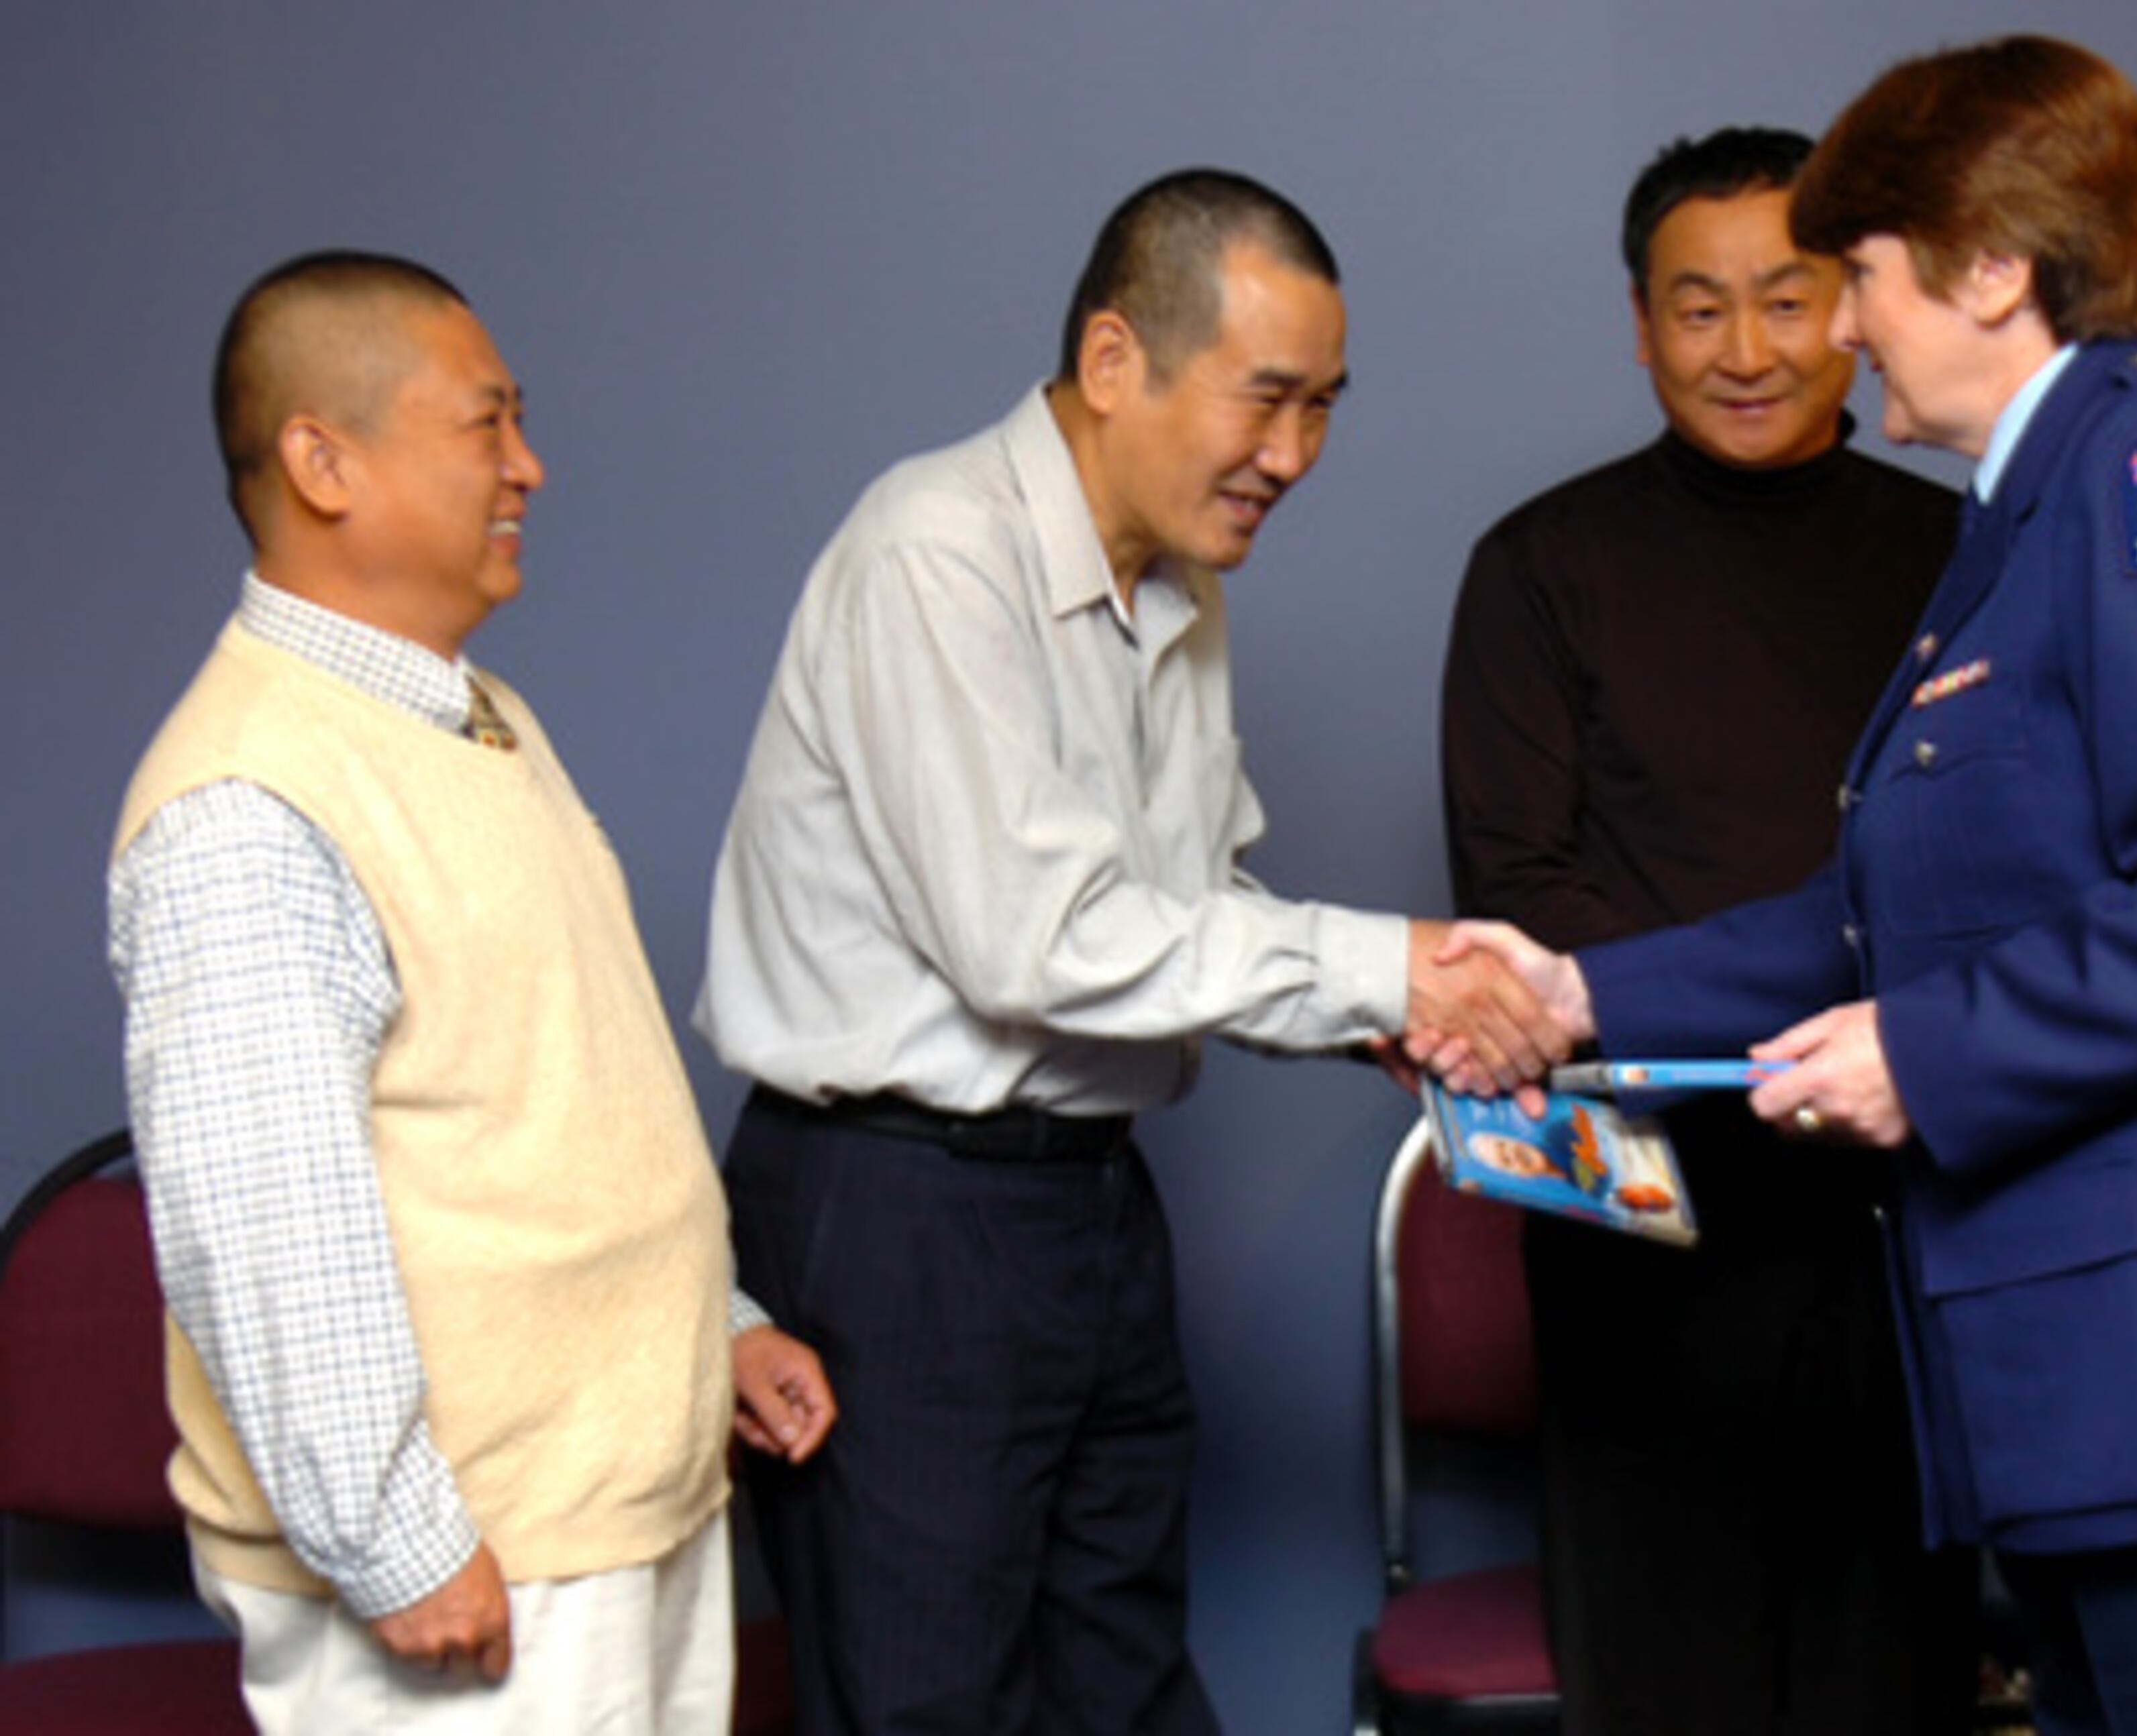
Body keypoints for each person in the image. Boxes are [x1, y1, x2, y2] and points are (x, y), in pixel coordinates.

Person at [1431, 36, 2137, 1735]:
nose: (1837, 331)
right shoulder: (2014, 530)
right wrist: (1578, 993)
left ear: (1992, 268)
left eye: (1855, 276)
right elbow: (1875, 916)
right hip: (2106, 1423)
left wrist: (1921, 1056)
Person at [696, 168, 1566, 1735]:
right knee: (924, 1704)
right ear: (1115, 364)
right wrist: (1387, 968)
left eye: (1326, 409)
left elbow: (1190, 893)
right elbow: (1038, 939)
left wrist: (1367, 1014)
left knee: (1125, 1681)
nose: (1295, 457)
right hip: (902, 1214)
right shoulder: (932, 553)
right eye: (1268, 400)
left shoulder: (1175, 579)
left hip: (1087, 1203)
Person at [107, 251, 837, 1733]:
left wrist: (721, 1326)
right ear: (325, 461)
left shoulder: (479, 719)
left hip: (607, 1515)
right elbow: (267, 1226)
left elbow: (553, 1110)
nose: (531, 466)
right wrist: (398, 1544)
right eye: (487, 425)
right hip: (474, 1565)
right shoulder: (251, 801)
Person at [1438, 126, 1977, 1735]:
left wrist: (1869, 1047)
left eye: (1790, 301)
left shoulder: (1960, 555)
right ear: (1638, 322)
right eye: (1698, 308)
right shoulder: (1542, 567)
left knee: (1893, 1681)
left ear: (1859, 309)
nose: (1747, 352)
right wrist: (1777, 1032)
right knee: (1669, 1691)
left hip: (1904, 1213)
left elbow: (1997, 873)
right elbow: (1523, 888)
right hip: (1644, 1227)